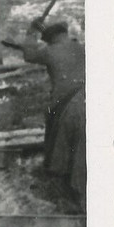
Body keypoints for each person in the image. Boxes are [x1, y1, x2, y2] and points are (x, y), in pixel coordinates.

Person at [20, 20, 85, 209]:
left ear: (49, 39)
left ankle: (63, 186)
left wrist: (31, 32)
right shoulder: (80, 48)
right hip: (87, 98)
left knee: (58, 142)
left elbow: (28, 53)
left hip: (65, 105)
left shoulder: (49, 51)